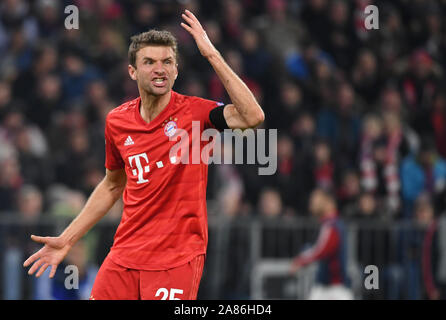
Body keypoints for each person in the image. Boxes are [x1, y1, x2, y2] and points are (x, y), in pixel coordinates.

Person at [23, 10, 264, 300]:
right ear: (133, 71)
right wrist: (67, 239)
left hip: (176, 258)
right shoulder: (117, 121)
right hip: (124, 255)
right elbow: (113, 184)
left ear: (176, 71)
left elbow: (252, 116)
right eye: (149, 62)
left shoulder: (197, 113)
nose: (159, 69)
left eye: (167, 62)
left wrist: (211, 54)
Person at [289, 188, 353, 300]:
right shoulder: (329, 224)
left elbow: (321, 250)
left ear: (328, 202)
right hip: (326, 287)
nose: (312, 202)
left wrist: (300, 260)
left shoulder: (331, 225)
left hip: (334, 290)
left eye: (316, 199)